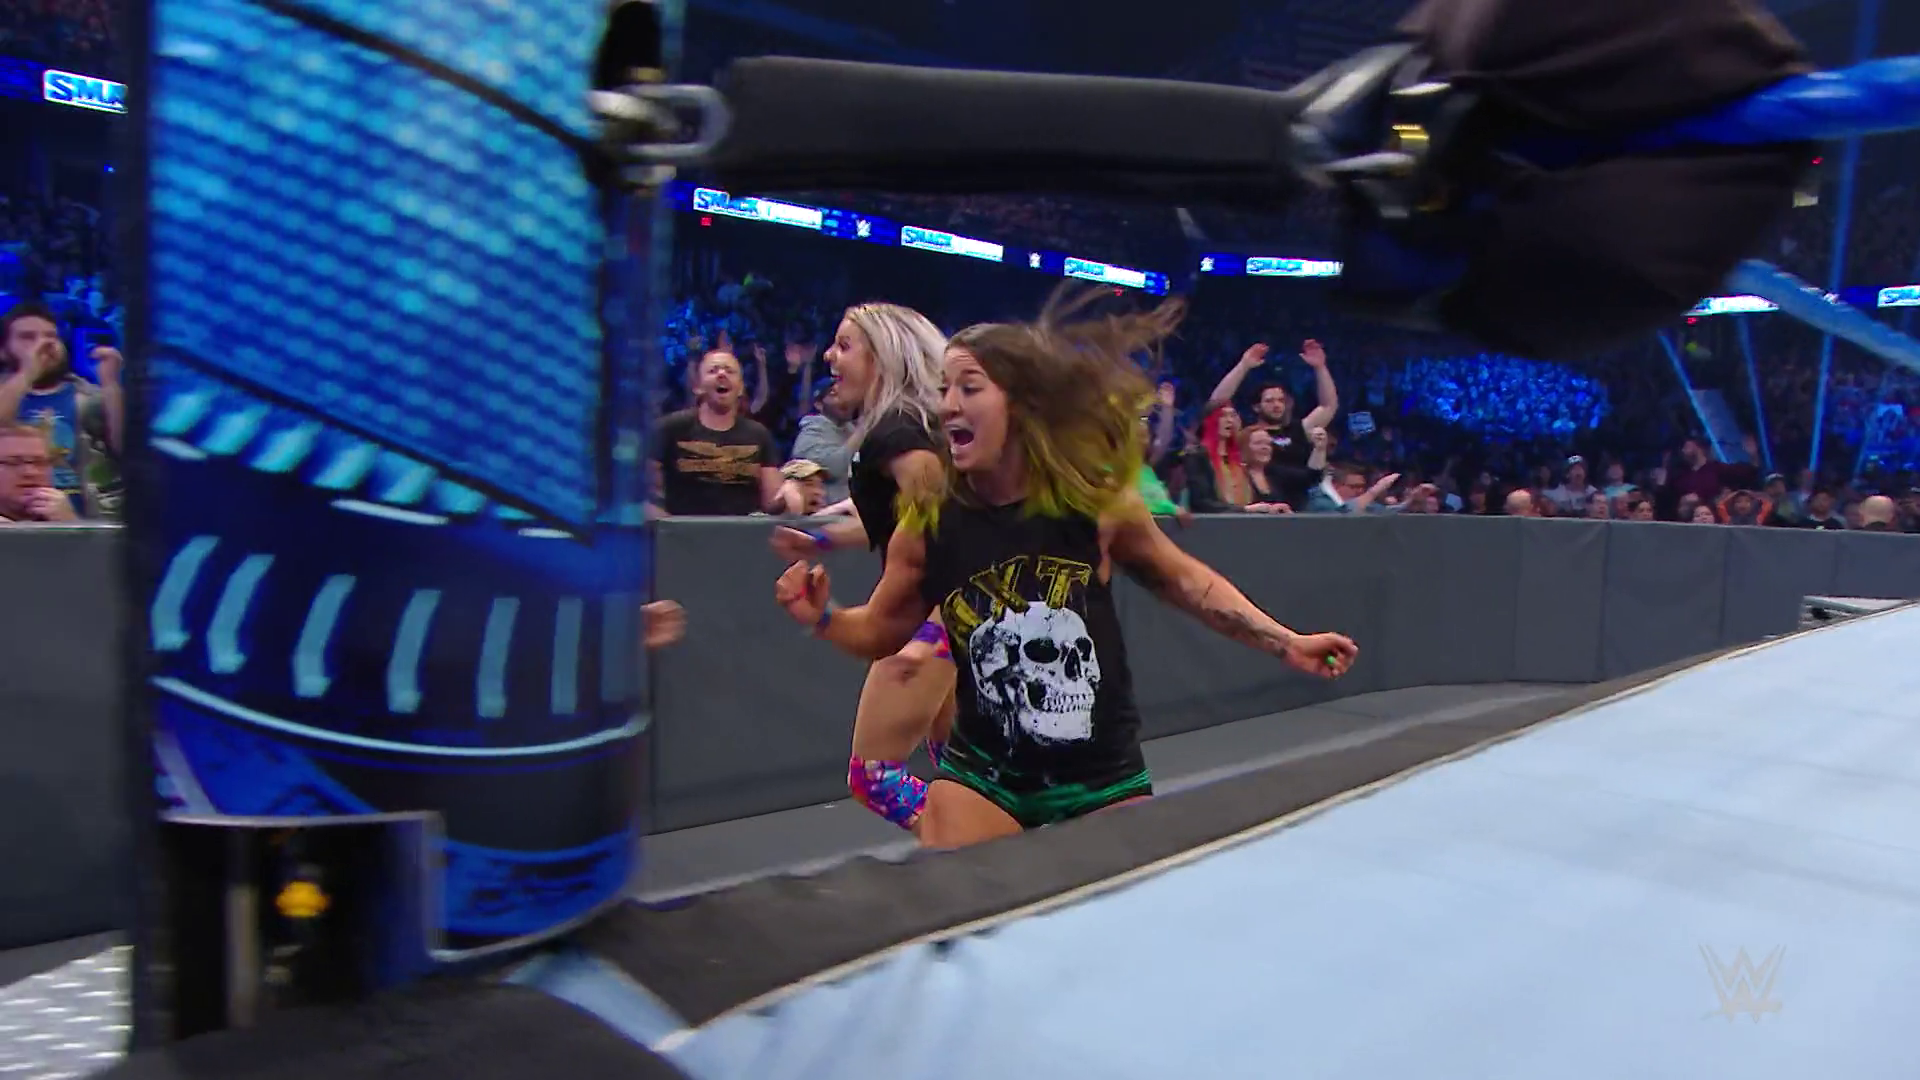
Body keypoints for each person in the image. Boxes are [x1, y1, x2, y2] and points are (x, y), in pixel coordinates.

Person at [774, 290, 1358, 849]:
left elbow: (1185, 580)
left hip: (1101, 777)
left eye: (969, 388)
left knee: (1118, 902)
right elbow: (881, 628)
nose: (947, 404)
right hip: (985, 780)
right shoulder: (929, 520)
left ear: (1023, 403)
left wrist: (1286, 642)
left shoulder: (1091, 502)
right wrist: (824, 617)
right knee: (964, 901)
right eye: (944, 388)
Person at [768, 303, 955, 832]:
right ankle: (988, 847)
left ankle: (969, 842)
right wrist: (820, 538)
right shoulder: (902, 427)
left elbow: (942, 524)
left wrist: (926, 629)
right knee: (963, 765)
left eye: (845, 345)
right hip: (955, 618)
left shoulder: (898, 430)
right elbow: (895, 519)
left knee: (875, 776)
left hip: (937, 619)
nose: (830, 356)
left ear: (882, 356)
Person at [652, 349, 782, 517]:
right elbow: (646, 494)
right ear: (698, 386)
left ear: (741, 388)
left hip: (742, 531)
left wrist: (794, 491)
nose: (722, 374)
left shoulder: (759, 434)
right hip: (683, 530)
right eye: (713, 370)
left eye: (729, 371)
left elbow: (772, 502)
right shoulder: (670, 428)